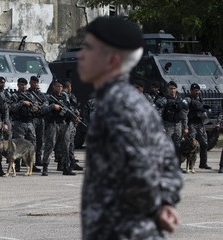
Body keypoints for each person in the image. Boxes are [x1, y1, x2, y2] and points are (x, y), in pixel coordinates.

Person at [77, 17, 183, 239]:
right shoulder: (133, 101)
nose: (80, 55)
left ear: (112, 60)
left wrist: (155, 207)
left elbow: (137, 167)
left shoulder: (115, 106)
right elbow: (167, 158)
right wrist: (165, 200)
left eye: (88, 48)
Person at [41, 79, 76, 176]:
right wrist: (52, 106)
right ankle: (45, 167)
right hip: (53, 123)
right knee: (50, 145)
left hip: (64, 124)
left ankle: (66, 167)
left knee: (66, 146)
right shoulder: (48, 97)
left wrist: (73, 114)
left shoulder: (65, 97)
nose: (60, 88)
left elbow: (70, 107)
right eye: (58, 86)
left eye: (61, 87)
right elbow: (43, 109)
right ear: (53, 87)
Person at [10, 77, 41, 173]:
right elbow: (12, 108)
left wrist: (34, 107)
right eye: (21, 84)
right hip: (19, 123)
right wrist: (22, 103)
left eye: (25, 85)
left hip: (29, 122)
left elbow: (36, 106)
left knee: (32, 144)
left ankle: (31, 164)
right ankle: (17, 165)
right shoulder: (14, 95)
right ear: (18, 85)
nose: (23, 86)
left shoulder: (30, 95)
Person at [185, 83, 211, 169]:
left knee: (204, 143)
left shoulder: (200, 99)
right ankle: (190, 165)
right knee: (191, 144)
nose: (197, 92)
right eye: (195, 91)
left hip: (200, 123)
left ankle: (203, 163)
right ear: (191, 91)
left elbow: (202, 107)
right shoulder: (188, 99)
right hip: (191, 123)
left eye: (198, 91)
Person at [160, 81, 188, 158]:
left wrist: (185, 127)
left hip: (178, 125)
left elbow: (184, 115)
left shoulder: (181, 100)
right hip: (167, 125)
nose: (172, 90)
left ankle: (177, 165)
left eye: (174, 88)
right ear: (168, 89)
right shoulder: (164, 100)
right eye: (171, 88)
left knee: (177, 146)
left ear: (176, 89)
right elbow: (159, 114)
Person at [27, 76, 46, 166]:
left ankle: (38, 159)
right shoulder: (27, 93)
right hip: (32, 118)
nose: (35, 84)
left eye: (36, 83)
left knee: (40, 139)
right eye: (34, 82)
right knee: (31, 140)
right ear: (30, 83)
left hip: (40, 118)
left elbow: (45, 102)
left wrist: (40, 107)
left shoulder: (40, 94)